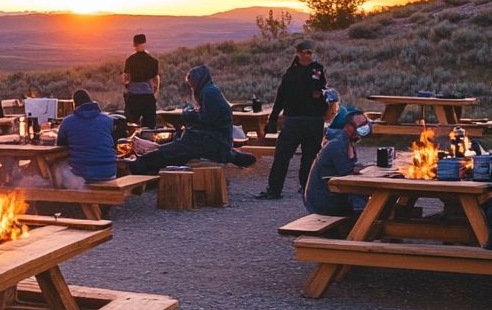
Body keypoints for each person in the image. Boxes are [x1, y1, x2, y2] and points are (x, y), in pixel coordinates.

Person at [128, 65, 255, 174]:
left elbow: (207, 119)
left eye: (191, 84)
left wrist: (189, 114)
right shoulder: (210, 90)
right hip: (212, 140)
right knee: (175, 146)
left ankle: (139, 165)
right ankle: (231, 155)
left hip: (209, 142)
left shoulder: (209, 93)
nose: (191, 87)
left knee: (174, 151)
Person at [258, 40, 328, 200]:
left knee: (310, 156)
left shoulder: (318, 70)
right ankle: (274, 190)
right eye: (306, 52)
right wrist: (273, 118)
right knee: (282, 155)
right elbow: (280, 97)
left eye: (311, 52)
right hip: (293, 119)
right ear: (299, 53)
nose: (309, 55)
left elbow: (324, 90)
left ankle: (307, 188)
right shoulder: (290, 73)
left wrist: (323, 96)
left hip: (313, 119)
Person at [302, 110, 370, 216]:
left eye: (366, 124)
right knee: (363, 196)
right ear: (348, 126)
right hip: (323, 201)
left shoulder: (348, 142)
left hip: (334, 194)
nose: (365, 128)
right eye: (361, 125)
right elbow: (347, 175)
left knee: (366, 196)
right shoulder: (336, 145)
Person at [54, 89, 118, 187]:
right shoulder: (107, 120)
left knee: (55, 167)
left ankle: (57, 199)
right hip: (110, 172)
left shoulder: (67, 122)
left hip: (83, 175)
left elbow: (60, 146)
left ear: (75, 104)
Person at [122, 33, 160, 128]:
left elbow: (126, 77)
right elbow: (156, 79)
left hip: (134, 96)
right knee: (149, 126)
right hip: (148, 96)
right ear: (145, 43)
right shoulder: (153, 61)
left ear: (134, 44)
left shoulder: (130, 60)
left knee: (130, 124)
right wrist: (154, 93)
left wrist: (127, 86)